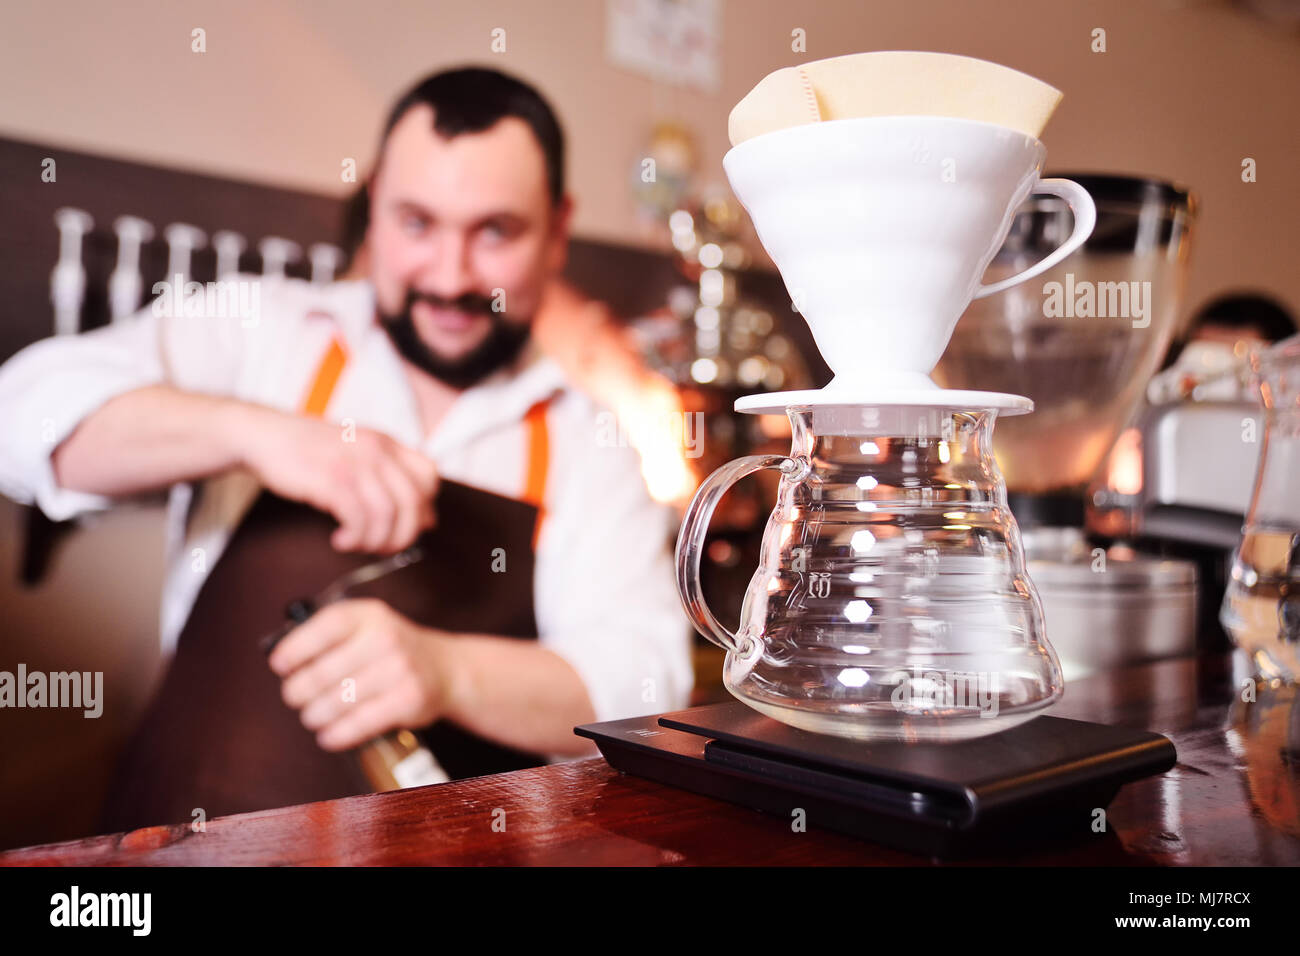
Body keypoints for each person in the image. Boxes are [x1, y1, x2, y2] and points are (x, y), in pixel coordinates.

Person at [0, 66, 692, 829]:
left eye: (494, 231)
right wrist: (254, 433)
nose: (450, 276)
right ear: (373, 209)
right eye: (416, 223)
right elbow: (21, 417)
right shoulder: (265, 331)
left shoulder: (590, 441)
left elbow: (646, 690)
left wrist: (447, 673)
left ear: (558, 231)